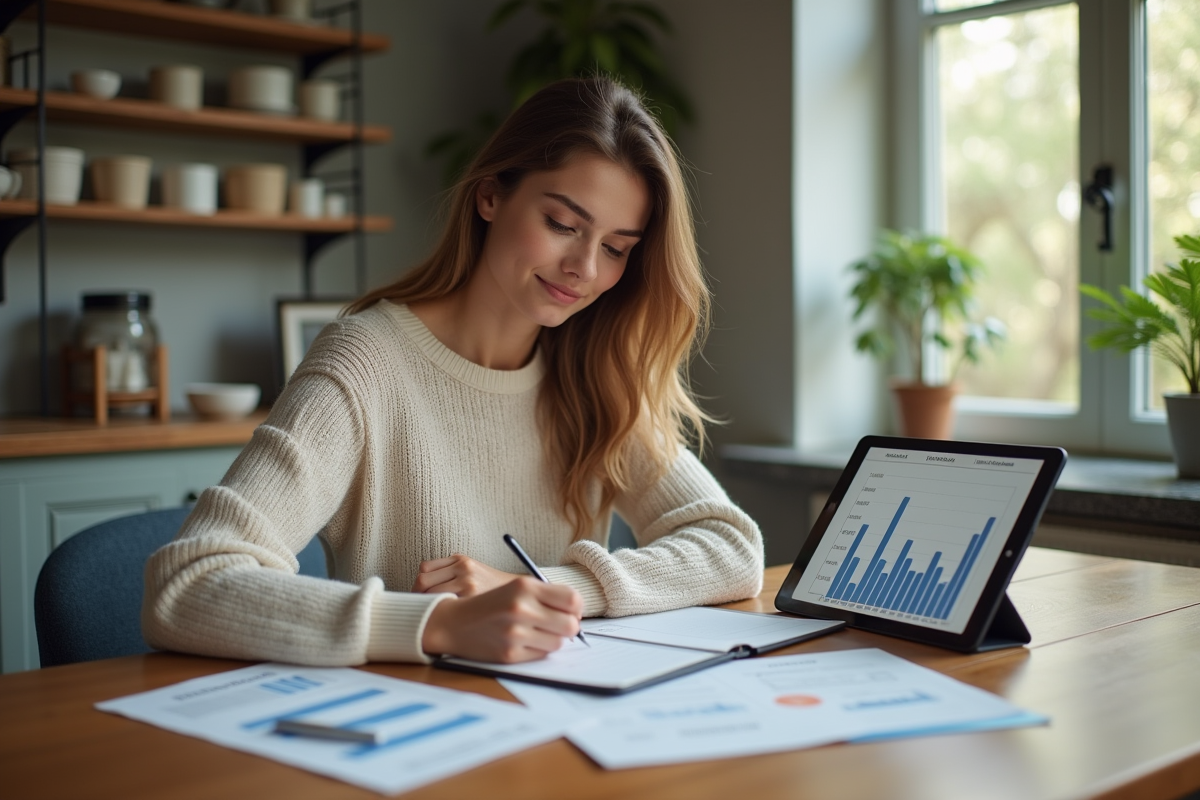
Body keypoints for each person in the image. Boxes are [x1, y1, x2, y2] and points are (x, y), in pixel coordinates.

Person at [143, 76, 764, 667]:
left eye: (615, 248)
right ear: (490, 195)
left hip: (556, 726)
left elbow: (733, 548)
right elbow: (189, 583)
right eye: (562, 225)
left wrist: (548, 586)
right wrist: (434, 623)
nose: (583, 268)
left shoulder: (592, 371)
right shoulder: (365, 363)